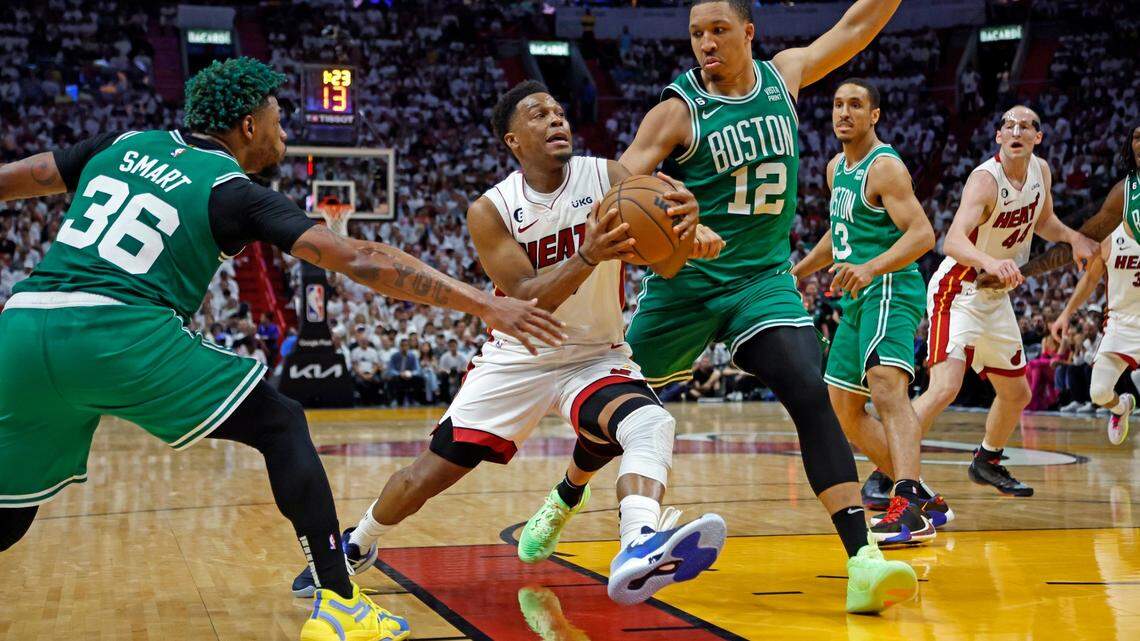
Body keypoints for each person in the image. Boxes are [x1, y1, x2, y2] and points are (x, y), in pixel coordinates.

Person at [0, 58, 564, 641]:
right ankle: (340, 603)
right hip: (117, 330)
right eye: (278, 119)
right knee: (281, 423)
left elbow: (28, 176)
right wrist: (483, 303)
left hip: (21, 326)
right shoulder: (231, 191)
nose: (284, 132)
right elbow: (360, 259)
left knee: (9, 513)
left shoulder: (120, 144)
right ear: (248, 126)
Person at [291, 81, 727, 606]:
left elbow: (665, 261)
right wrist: (587, 256)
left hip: (593, 355)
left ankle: (637, 543)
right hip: (518, 357)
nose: (556, 120)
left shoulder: (610, 177)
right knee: (428, 474)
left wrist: (687, 236)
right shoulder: (493, 209)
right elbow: (526, 299)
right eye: (538, 115)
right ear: (513, 140)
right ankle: (358, 542)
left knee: (651, 423)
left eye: (559, 111)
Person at [616, 0, 916, 612]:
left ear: (748, 33)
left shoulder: (786, 74)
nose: (706, 43)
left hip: (761, 281)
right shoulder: (678, 111)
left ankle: (863, 561)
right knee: (614, 410)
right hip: (685, 286)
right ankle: (565, 497)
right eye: (697, 33)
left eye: (719, 30)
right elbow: (622, 181)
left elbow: (855, 26)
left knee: (811, 390)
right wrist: (673, 215)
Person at [900, 106, 1098, 501]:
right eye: (1008, 125)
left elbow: (1043, 222)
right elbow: (952, 241)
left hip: (995, 295)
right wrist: (991, 260)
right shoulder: (984, 181)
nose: (1016, 130)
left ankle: (987, 460)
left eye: (1025, 126)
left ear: (1038, 138)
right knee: (944, 388)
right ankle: (887, 469)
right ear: (998, 137)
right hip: (958, 290)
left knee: (1017, 394)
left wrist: (1074, 237)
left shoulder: (1040, 171)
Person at [792, 79, 942, 545]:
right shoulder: (838, 167)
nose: (844, 112)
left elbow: (922, 235)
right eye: (838, 104)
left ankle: (909, 505)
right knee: (842, 408)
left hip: (890, 287)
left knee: (886, 388)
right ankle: (920, 497)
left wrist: (870, 266)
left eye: (856, 105)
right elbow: (837, 234)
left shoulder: (885, 167)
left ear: (874, 115)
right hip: (857, 295)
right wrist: (798, 271)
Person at [1051, 152, 1140, 444]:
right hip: (1120, 324)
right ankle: (1122, 406)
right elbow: (1089, 281)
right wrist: (1065, 314)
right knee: (1098, 392)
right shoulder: (1110, 242)